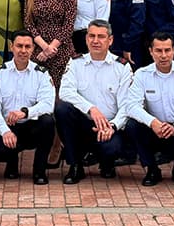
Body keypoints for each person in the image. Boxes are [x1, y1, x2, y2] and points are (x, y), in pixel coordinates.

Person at [56, 20, 133, 183]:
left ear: (110, 40)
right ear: (86, 39)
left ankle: (107, 162)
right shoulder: (76, 63)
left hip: (110, 126)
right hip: (84, 124)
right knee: (62, 109)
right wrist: (91, 109)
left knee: (112, 148)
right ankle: (75, 166)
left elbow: (127, 105)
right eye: (91, 36)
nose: (95, 41)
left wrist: (112, 126)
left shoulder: (122, 67)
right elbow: (65, 92)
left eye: (101, 37)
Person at [125, 33, 174, 186]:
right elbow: (131, 106)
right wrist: (153, 123)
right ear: (151, 51)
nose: (163, 55)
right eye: (158, 51)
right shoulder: (141, 75)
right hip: (154, 129)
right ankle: (152, 169)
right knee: (132, 125)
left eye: (167, 50)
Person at [0, 30, 56, 185]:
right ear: (11, 46)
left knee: (48, 122)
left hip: (30, 126)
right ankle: (11, 164)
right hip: (6, 127)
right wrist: (5, 131)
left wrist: (25, 113)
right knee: (0, 146)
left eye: (28, 46)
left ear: (33, 49)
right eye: (19, 46)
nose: (23, 51)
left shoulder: (41, 74)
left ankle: (39, 171)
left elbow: (48, 104)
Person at [25, 0, 79, 85]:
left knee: (62, 96)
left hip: (62, 52)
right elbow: (28, 23)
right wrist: (44, 47)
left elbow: (69, 24)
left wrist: (51, 48)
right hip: (38, 52)